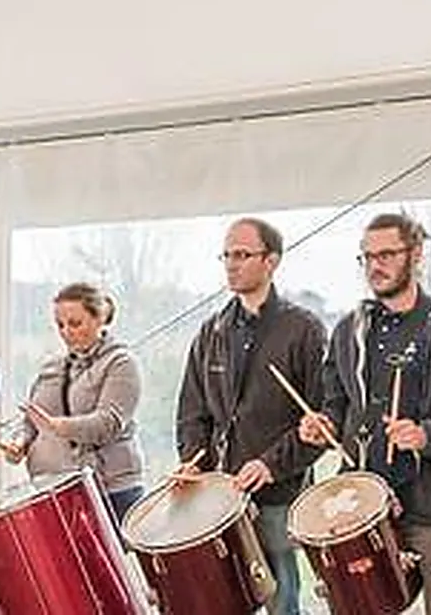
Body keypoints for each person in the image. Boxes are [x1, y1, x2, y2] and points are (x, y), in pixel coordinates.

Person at [298, 213, 431, 615]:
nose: (376, 265)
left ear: (416, 254)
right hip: (359, 507)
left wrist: (427, 436)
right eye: (367, 257)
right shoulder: (347, 332)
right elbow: (336, 406)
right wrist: (323, 425)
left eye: (387, 254)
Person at [176, 216, 326, 615]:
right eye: (226, 255)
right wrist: (193, 463)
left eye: (241, 254)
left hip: (279, 495)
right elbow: (193, 411)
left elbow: (322, 420)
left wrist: (271, 465)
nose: (231, 263)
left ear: (271, 260)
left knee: (283, 604)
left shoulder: (304, 330)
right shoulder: (211, 332)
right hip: (221, 498)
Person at [8, 282, 146, 522]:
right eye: (60, 325)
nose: (66, 332)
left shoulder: (121, 363)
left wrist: (59, 427)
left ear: (99, 319)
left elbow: (108, 423)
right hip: (56, 490)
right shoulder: (52, 366)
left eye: (75, 323)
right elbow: (32, 419)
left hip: (110, 490)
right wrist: (20, 442)